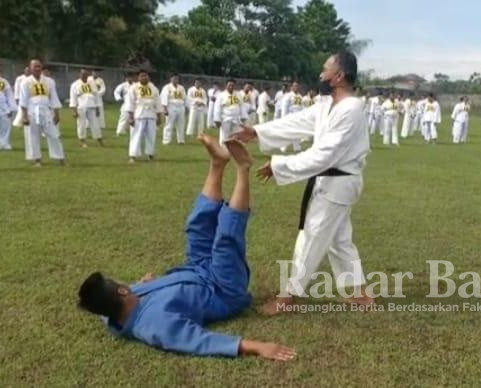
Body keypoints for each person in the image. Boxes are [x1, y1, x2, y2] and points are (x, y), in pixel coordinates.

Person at [77, 135, 296, 362]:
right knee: (225, 238)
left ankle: (218, 162)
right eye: (119, 284)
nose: (125, 284)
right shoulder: (155, 326)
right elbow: (199, 340)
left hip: (195, 268)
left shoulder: (111, 310)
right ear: (122, 292)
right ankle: (243, 167)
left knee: (197, 225)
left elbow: (117, 297)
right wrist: (257, 346)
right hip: (223, 289)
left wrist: (144, 284)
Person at [232, 50, 373, 315]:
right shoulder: (328, 105)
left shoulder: (351, 109)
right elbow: (297, 122)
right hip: (334, 183)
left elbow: (324, 155)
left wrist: (279, 165)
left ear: (339, 76)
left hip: (337, 183)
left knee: (312, 235)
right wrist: (258, 132)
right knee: (339, 240)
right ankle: (360, 294)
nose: (321, 74)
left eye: (325, 69)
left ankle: (288, 297)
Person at [19, 59, 65, 166]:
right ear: (30, 68)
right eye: (35, 66)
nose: (37, 68)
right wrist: (24, 116)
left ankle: (60, 157)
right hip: (32, 111)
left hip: (46, 111)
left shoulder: (49, 81)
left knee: (54, 134)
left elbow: (54, 98)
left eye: (39, 66)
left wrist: (56, 113)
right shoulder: (26, 82)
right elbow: (23, 100)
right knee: (33, 136)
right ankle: (37, 159)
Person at [127, 69, 162, 163]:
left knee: (151, 135)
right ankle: (133, 155)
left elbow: (158, 102)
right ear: (138, 77)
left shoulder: (153, 88)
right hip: (139, 113)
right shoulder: (134, 88)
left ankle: (150, 154)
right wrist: (130, 117)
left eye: (145, 75)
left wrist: (159, 116)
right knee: (136, 135)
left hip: (151, 113)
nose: (144, 77)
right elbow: (130, 102)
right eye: (142, 76)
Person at [69, 68, 103, 148]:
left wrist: (97, 107)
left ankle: (99, 139)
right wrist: (74, 110)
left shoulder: (92, 83)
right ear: (79, 75)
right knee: (81, 124)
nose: (85, 76)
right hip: (81, 106)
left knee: (95, 124)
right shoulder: (75, 85)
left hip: (92, 105)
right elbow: (73, 98)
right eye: (83, 74)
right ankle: (83, 141)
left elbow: (96, 96)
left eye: (86, 74)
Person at [213, 79, 247, 145]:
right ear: (226, 86)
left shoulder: (238, 95)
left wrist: (243, 116)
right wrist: (217, 120)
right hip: (225, 118)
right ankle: (223, 149)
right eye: (229, 85)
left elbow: (242, 106)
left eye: (232, 85)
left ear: (235, 86)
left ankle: (234, 150)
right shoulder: (221, 95)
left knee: (236, 136)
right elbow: (217, 108)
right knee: (224, 136)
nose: (231, 87)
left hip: (236, 118)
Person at [161, 73, 187, 145]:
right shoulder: (167, 87)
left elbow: (185, 98)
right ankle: (166, 140)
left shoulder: (181, 88)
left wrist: (186, 107)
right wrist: (165, 109)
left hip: (180, 106)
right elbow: (164, 98)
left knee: (181, 124)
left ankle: (181, 140)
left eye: (177, 79)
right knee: (169, 124)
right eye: (174, 78)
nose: (176, 80)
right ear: (171, 79)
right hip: (171, 106)